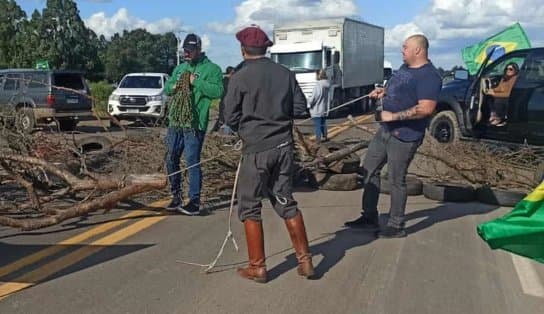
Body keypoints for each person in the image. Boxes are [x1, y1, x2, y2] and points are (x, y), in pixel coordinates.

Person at [223, 25, 313, 283]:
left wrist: (247, 126)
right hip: (283, 148)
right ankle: (305, 260)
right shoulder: (285, 73)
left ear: (243, 50)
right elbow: (300, 110)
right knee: (285, 200)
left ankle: (258, 267)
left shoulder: (239, 77)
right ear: (266, 49)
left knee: (250, 206)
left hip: (256, 151)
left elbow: (229, 116)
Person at [344, 34, 442, 238]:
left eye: (405, 47)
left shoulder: (429, 76)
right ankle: (369, 216)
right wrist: (383, 92)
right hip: (385, 131)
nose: (402, 50)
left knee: (397, 180)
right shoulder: (405, 68)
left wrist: (393, 116)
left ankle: (397, 225)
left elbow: (426, 109)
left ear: (418, 50)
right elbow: (396, 89)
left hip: (405, 135)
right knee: (368, 170)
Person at [163, 33, 224, 215]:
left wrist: (195, 82)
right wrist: (174, 87)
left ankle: (194, 201)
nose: (187, 54)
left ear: (199, 49)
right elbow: (167, 88)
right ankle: (176, 195)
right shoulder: (180, 68)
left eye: (190, 51)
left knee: (191, 161)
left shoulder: (212, 69)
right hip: (176, 121)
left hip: (195, 124)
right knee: (171, 158)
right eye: (185, 51)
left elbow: (218, 91)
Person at [485, 62, 519, 126]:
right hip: (502, 97)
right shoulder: (504, 78)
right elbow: (499, 88)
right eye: (506, 69)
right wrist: (492, 90)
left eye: (510, 69)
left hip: (509, 99)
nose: (508, 70)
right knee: (488, 97)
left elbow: (509, 94)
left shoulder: (515, 79)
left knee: (498, 100)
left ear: (515, 70)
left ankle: (499, 118)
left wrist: (494, 94)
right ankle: (493, 115)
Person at [308, 69, 331, 143]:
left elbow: (314, 97)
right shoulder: (327, 84)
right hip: (323, 108)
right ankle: (325, 137)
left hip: (317, 109)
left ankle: (318, 140)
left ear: (318, 75)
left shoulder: (318, 85)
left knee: (317, 125)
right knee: (323, 123)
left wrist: (309, 101)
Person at [210, 66, 236, 133]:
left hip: (223, 102)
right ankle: (218, 132)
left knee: (222, 119)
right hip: (226, 103)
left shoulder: (223, 81)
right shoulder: (229, 81)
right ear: (231, 73)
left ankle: (214, 131)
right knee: (224, 119)